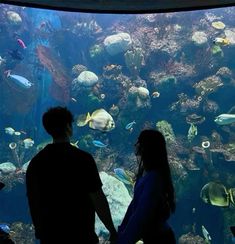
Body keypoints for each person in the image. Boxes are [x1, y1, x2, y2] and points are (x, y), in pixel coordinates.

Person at [26, 106, 117, 244]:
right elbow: (97, 197)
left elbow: (33, 200)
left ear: (47, 129)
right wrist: (111, 229)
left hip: (51, 235)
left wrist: (39, 229)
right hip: (82, 234)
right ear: (69, 128)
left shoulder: (36, 163)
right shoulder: (84, 159)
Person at [117, 129, 176, 244]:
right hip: (154, 237)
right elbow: (134, 205)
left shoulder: (153, 179)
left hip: (160, 239)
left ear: (146, 147)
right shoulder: (146, 173)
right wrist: (122, 231)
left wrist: (124, 239)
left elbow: (141, 215)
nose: (135, 144)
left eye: (139, 141)